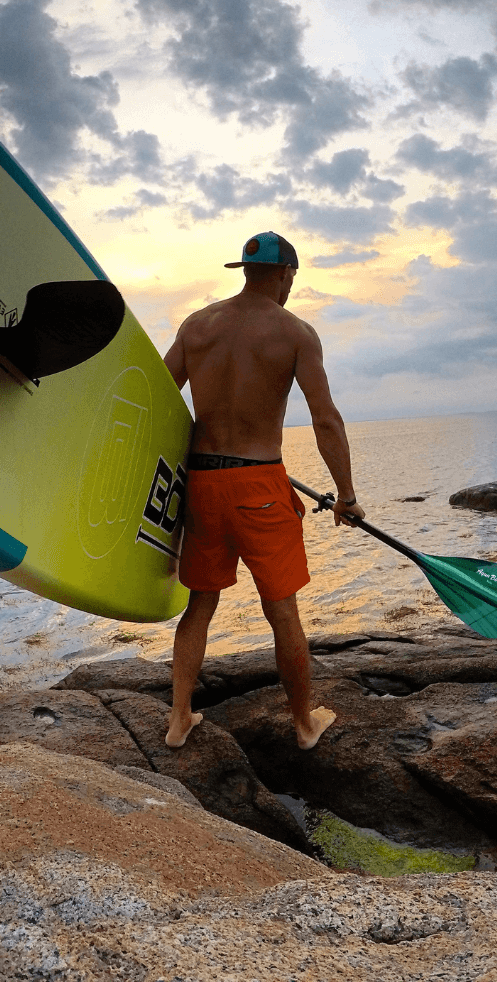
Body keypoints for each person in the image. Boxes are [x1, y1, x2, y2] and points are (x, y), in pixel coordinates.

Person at [162, 230, 365, 750]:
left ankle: (179, 719)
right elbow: (325, 419)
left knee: (200, 604)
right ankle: (303, 724)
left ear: (245, 270)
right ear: (284, 275)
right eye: (292, 277)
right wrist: (346, 495)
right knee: (282, 610)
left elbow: (158, 398)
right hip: (260, 485)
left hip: (203, 484)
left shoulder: (197, 325)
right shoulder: (295, 333)